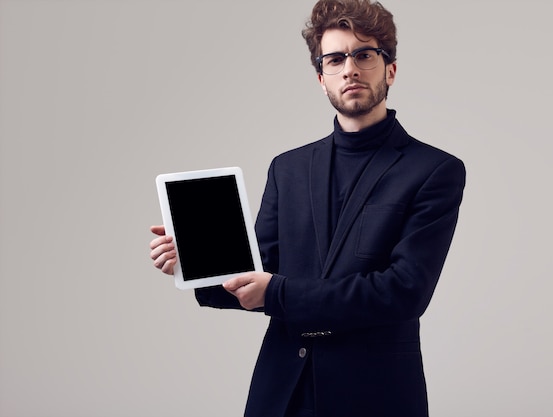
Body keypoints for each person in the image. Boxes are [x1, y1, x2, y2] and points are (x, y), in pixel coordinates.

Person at [150, 0, 465, 415]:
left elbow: (403, 292)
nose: (349, 68)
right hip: (282, 391)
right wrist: (195, 265)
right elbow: (257, 270)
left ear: (390, 69)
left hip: (375, 395)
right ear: (321, 78)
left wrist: (277, 291)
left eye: (364, 54)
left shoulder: (434, 170)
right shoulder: (289, 168)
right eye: (335, 59)